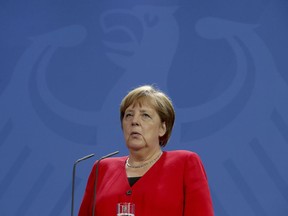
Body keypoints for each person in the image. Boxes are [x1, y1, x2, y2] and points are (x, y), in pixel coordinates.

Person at [78, 85, 214, 216]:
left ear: (162, 128)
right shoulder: (101, 168)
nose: (134, 121)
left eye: (145, 115)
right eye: (129, 115)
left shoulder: (185, 163)